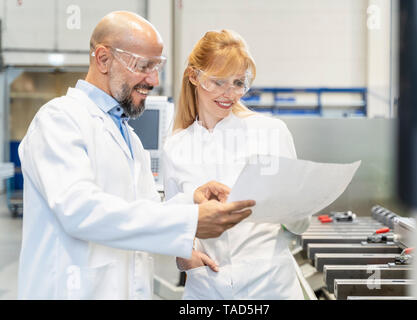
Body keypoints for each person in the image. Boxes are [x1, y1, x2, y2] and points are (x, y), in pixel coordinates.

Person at [17, 12, 255, 300]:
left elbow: (142, 208)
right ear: (103, 59)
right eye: (144, 66)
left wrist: (189, 201)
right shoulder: (59, 120)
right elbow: (80, 210)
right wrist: (189, 220)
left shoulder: (129, 138)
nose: (153, 79)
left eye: (157, 67)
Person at [163, 29, 311, 300]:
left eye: (238, 82)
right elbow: (172, 222)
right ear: (194, 77)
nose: (229, 94)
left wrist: (294, 208)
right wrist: (183, 259)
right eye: (218, 82)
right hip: (206, 289)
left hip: (269, 286)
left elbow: (301, 224)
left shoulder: (271, 132)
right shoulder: (176, 147)